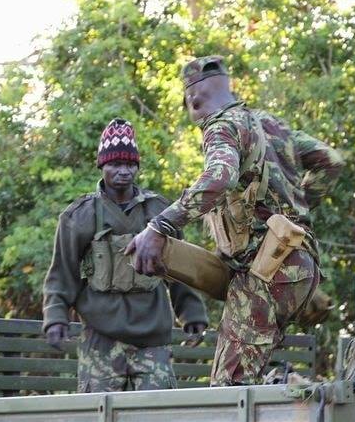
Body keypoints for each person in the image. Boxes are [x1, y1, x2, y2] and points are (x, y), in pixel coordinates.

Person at [126, 56, 343, 386]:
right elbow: (331, 161)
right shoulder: (272, 126)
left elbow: (220, 178)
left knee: (228, 392)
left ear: (194, 100)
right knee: (247, 383)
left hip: (267, 275)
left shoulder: (221, 127)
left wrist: (160, 226)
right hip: (301, 270)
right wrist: (296, 209)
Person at [42, 118, 208, 392]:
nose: (123, 172)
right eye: (115, 165)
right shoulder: (79, 216)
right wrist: (56, 318)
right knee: (100, 421)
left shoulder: (159, 211)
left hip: (152, 338)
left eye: (130, 165)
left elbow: (180, 271)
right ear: (102, 166)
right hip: (100, 338)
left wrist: (192, 314)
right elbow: (62, 273)